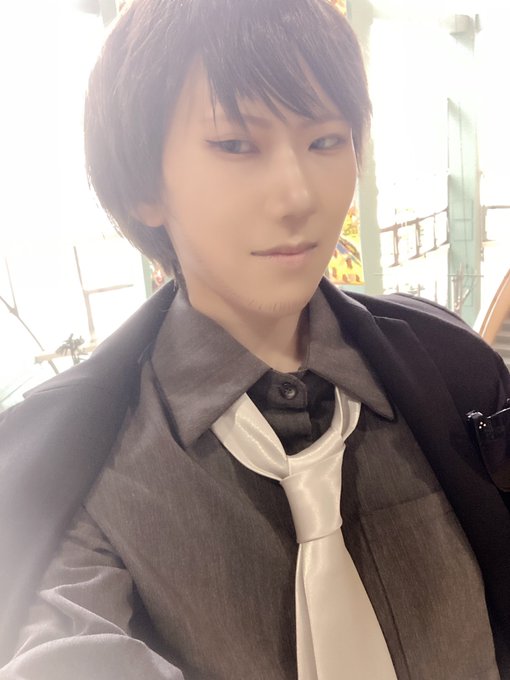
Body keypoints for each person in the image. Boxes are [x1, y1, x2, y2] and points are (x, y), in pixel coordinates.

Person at [0, 0, 509, 678]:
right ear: (145, 183)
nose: (298, 195)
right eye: (236, 145)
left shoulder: (452, 370)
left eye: (325, 140)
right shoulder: (68, 461)